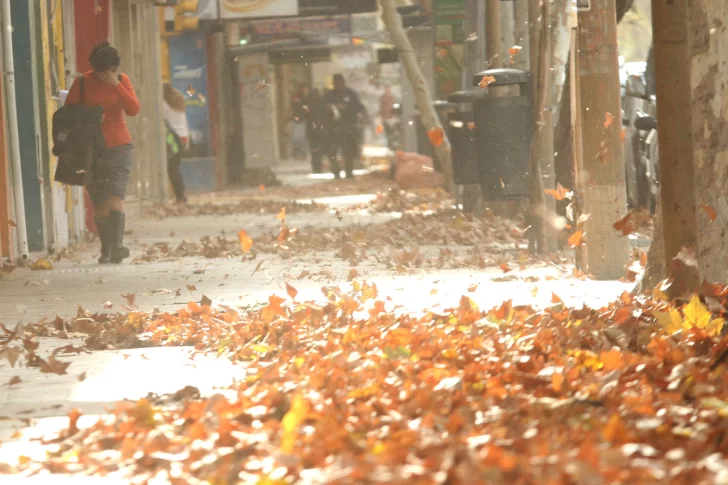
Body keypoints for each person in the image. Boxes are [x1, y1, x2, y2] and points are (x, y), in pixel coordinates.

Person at [65, 41, 140, 264]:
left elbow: (133, 109)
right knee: (99, 201)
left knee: (116, 194)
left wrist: (117, 85)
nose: (110, 74)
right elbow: (68, 114)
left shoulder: (122, 80)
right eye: (105, 71)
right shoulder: (81, 84)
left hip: (119, 145)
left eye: (113, 69)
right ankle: (106, 249)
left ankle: (117, 247)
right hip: (91, 149)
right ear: (95, 68)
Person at [323, 74, 367, 179]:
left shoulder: (351, 94)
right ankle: (336, 172)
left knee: (348, 152)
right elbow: (322, 107)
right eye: (336, 84)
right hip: (333, 128)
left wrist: (345, 108)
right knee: (332, 152)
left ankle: (349, 172)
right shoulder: (329, 95)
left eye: (340, 83)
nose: (338, 86)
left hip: (348, 128)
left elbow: (358, 107)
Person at [163, 83, 189, 204]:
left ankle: (180, 196)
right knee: (174, 168)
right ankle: (180, 195)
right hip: (183, 137)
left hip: (173, 139)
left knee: (172, 169)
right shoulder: (179, 104)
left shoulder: (165, 105)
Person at [298, 85, 325, 174]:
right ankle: (317, 167)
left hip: (314, 129)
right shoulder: (319, 102)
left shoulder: (307, 102)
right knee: (317, 150)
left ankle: (317, 167)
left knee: (315, 150)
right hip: (317, 128)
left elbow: (302, 115)